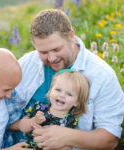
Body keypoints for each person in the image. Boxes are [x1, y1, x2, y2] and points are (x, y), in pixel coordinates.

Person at [14, 9, 124, 150]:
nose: (52, 58)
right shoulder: (27, 63)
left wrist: (66, 136)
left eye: (56, 49)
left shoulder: (102, 76)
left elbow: (110, 139)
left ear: (71, 36)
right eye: (43, 52)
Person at [17, 69, 89, 150]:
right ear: (51, 90)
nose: (62, 95)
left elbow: (67, 147)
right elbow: (22, 127)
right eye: (58, 90)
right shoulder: (39, 107)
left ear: (77, 102)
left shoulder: (71, 121)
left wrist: (46, 135)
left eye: (69, 94)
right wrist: (33, 121)